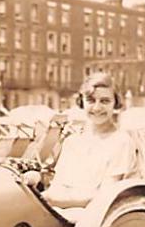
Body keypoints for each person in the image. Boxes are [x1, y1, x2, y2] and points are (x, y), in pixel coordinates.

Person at [42, 71, 137, 209]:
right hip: (58, 213)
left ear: (115, 103)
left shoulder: (121, 142)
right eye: (91, 100)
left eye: (105, 101)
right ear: (82, 102)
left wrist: (51, 200)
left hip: (93, 219)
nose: (97, 108)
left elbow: (105, 197)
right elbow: (57, 186)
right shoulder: (72, 142)